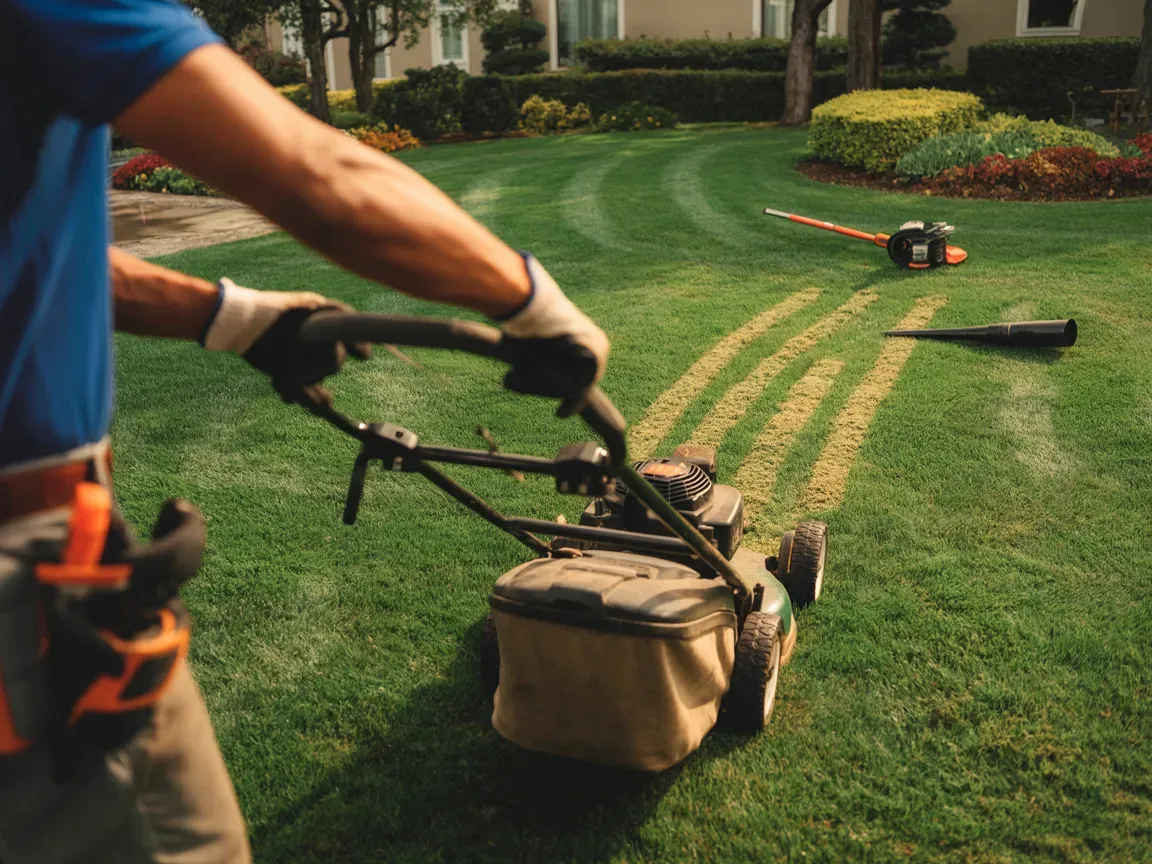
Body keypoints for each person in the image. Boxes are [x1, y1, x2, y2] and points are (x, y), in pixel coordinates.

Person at [0, 1, 610, 861]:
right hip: (26, 594)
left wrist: (237, 318)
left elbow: (30, 257)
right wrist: (536, 304)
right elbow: (322, 179)